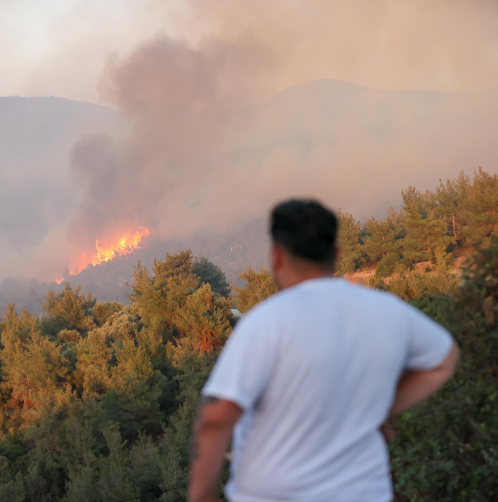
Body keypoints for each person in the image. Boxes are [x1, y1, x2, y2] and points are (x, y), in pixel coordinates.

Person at [188, 200, 459, 502]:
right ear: (337, 254)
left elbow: (217, 415)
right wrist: (379, 408)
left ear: (277, 257)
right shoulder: (387, 310)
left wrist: (201, 496)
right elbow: (444, 361)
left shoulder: (266, 321)